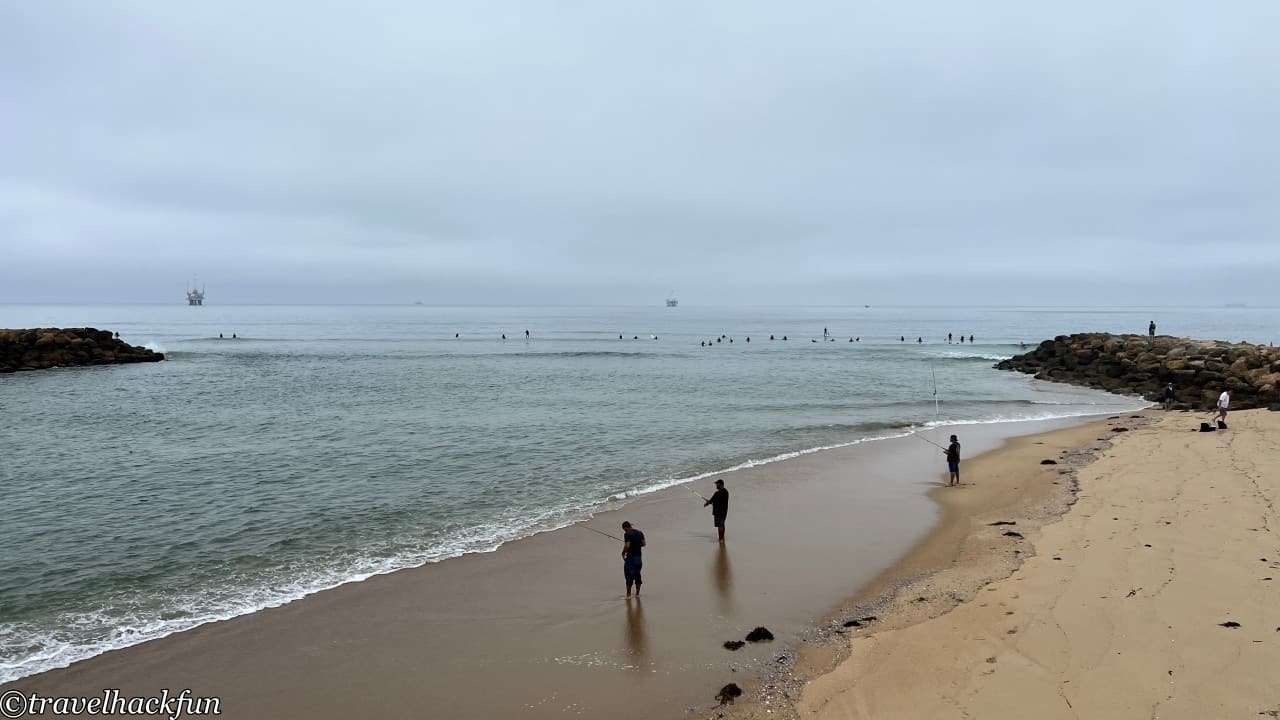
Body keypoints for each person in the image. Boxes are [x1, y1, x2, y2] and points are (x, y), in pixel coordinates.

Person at [621, 521, 645, 597]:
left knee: (629, 577)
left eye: (624, 529)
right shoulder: (640, 533)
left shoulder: (627, 534)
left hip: (630, 559)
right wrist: (636, 544)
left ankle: (628, 595)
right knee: (637, 575)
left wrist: (623, 552)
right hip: (638, 558)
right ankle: (637, 594)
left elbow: (627, 545)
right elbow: (644, 544)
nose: (624, 531)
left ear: (625, 527)